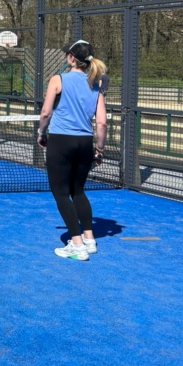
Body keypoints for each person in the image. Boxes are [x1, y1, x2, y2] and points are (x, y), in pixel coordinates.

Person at [37, 39, 108, 262]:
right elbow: (102, 123)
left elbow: (46, 112)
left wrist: (41, 132)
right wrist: (99, 149)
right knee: (77, 191)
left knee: (61, 194)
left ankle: (77, 245)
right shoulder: (96, 84)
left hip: (61, 141)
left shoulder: (58, 79)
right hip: (85, 143)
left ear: (71, 58)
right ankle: (89, 239)